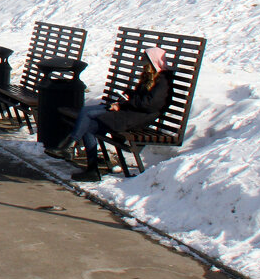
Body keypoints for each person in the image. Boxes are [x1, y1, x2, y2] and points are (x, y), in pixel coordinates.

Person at [47, 46, 174, 182]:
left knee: (87, 117)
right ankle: (89, 167)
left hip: (135, 117)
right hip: (129, 111)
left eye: (145, 61)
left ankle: (70, 147)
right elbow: (141, 98)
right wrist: (128, 96)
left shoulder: (163, 81)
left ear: (153, 62)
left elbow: (150, 104)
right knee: (88, 122)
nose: (143, 64)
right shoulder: (150, 77)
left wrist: (125, 103)